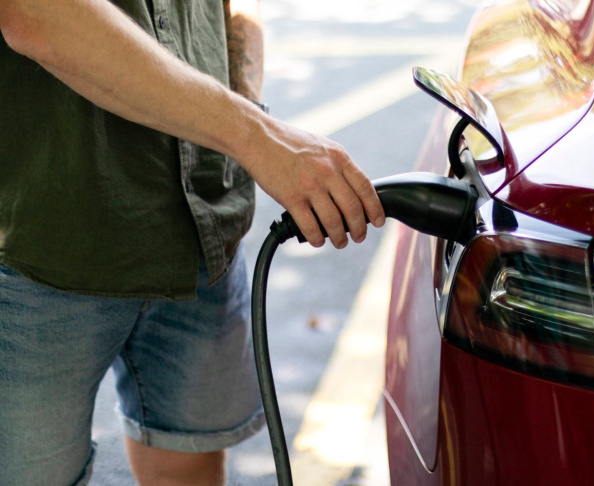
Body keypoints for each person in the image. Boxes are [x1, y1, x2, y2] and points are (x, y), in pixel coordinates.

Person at [0, 0, 385, 485]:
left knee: (190, 462)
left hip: (201, 220)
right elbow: (36, 13)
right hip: (41, 238)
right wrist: (258, 136)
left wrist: (244, 110)